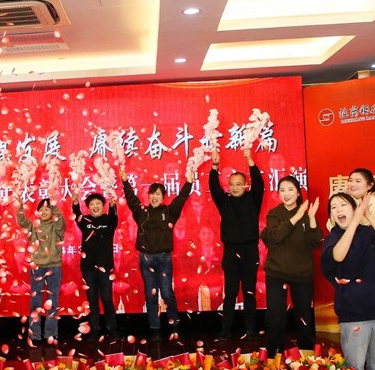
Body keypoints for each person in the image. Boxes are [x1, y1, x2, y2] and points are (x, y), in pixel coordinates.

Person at [321, 193, 375, 370]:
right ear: (331, 217)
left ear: (354, 209)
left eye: (343, 204)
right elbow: (338, 256)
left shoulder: (369, 232)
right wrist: (355, 220)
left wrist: (368, 215)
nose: (338, 209)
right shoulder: (333, 238)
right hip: (353, 313)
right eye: (333, 207)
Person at [121, 166, 194, 341]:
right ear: (149, 196)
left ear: (163, 197)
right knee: (150, 295)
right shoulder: (142, 212)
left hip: (163, 258)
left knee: (167, 293)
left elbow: (181, 199)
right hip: (145, 259)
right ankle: (155, 328)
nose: (155, 197)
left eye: (158, 194)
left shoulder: (169, 212)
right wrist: (124, 182)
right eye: (152, 194)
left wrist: (189, 183)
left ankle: (175, 326)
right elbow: (131, 199)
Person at [260, 176, 322, 355]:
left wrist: (311, 218)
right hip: (276, 272)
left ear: (298, 192)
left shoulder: (306, 213)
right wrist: (297, 217)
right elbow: (276, 236)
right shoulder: (274, 214)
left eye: (290, 189)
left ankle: (307, 359)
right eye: (282, 190)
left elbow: (314, 242)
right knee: (276, 317)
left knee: (304, 317)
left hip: (301, 273)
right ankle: (274, 358)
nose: (286, 194)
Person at [209, 146, 264, 339]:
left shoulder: (253, 199)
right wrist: (214, 166)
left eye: (239, 184)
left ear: (245, 185)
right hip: (231, 251)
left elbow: (259, 184)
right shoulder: (224, 201)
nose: (234, 187)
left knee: (249, 292)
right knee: (230, 292)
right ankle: (225, 329)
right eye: (231, 184)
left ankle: (251, 329)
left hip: (250, 250)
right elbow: (214, 187)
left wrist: (250, 161)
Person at [16, 197, 66, 343]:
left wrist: (53, 203)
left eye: (47, 209)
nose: (43, 212)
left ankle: (51, 334)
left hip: (54, 267)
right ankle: (35, 335)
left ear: (52, 211)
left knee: (53, 301)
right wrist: (20, 206)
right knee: (36, 302)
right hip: (36, 267)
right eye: (41, 209)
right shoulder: (33, 226)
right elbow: (21, 221)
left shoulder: (57, 227)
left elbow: (61, 219)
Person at [71, 191, 119, 340]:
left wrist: (113, 206)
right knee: (92, 298)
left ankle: (112, 329)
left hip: (105, 267)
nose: (95, 206)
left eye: (98, 203)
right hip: (88, 268)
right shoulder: (85, 220)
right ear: (88, 207)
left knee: (106, 298)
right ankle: (95, 329)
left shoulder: (109, 220)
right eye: (92, 204)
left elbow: (114, 216)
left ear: (103, 206)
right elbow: (77, 214)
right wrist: (75, 203)